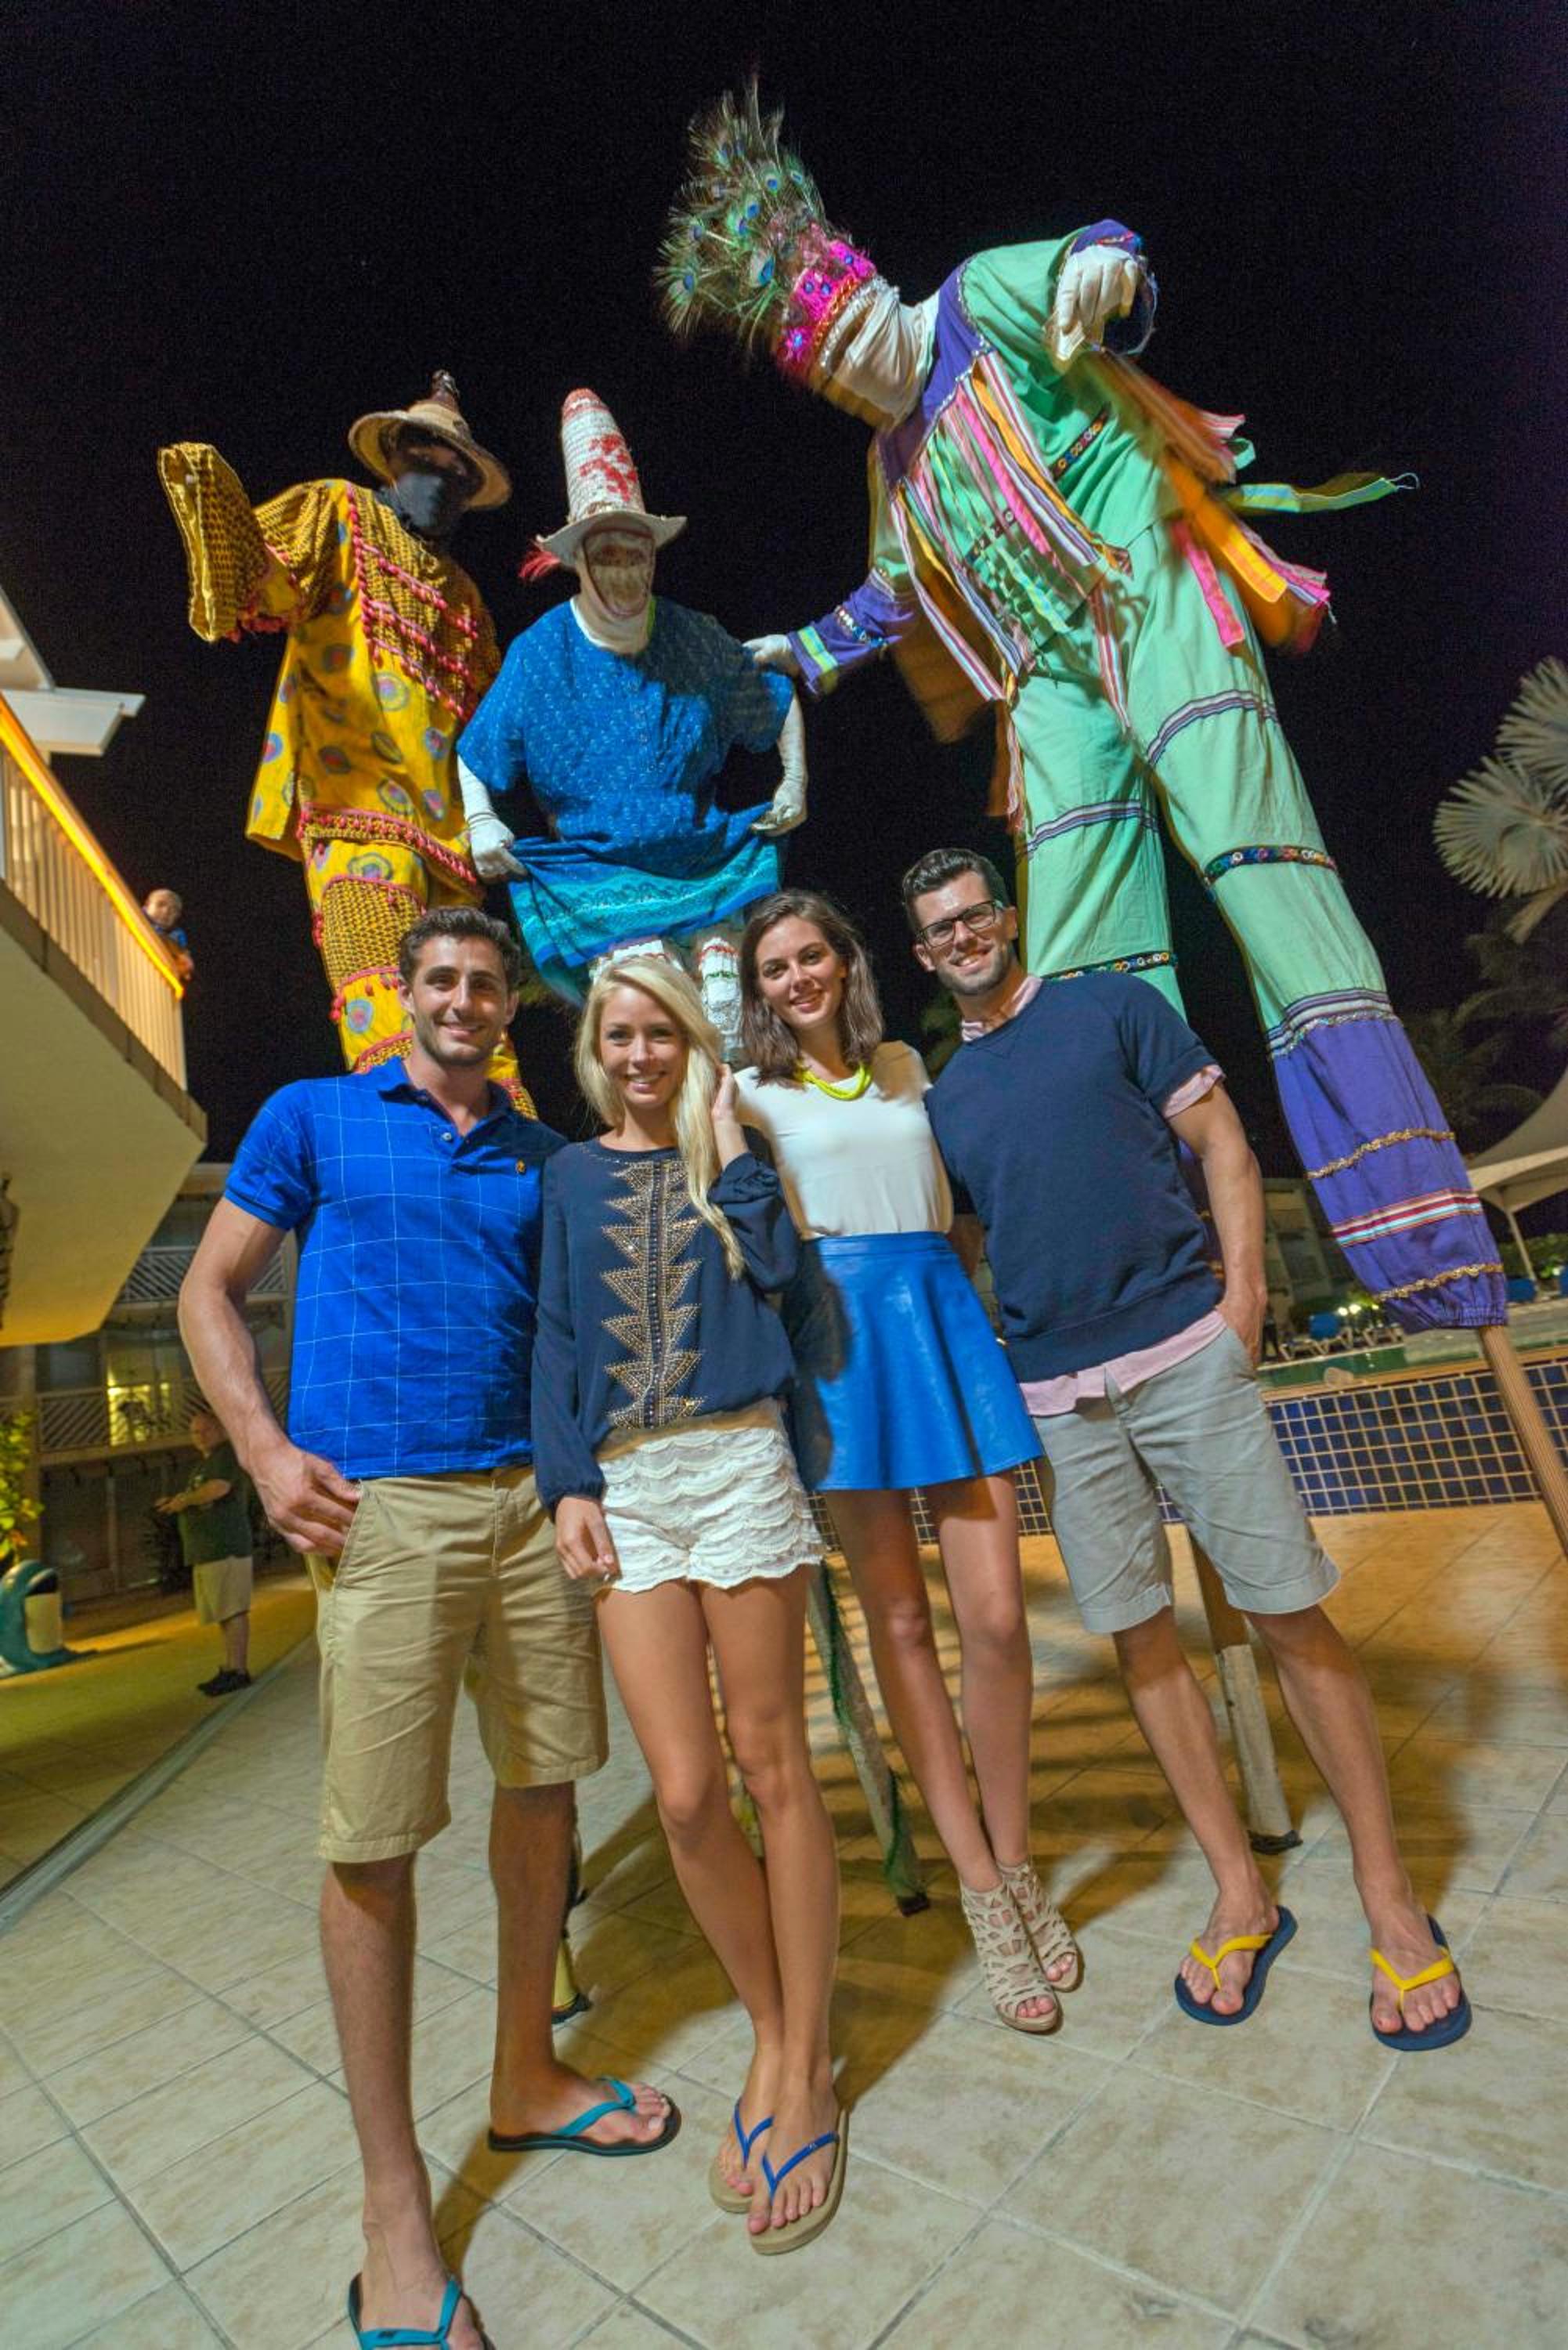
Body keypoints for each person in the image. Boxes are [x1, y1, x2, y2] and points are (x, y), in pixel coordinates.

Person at [659, 84, 1501, 1332]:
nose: (853, 385)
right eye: (831, 383)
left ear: (872, 300)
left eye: (852, 354)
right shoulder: (891, 459)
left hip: (1148, 593)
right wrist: (794, 649)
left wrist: (1102, 276)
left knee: (1259, 870)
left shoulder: (972, 300)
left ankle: (1420, 1240)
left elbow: (1093, 257)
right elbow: (895, 596)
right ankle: (1157, 1260)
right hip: (1047, 678)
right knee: (1076, 963)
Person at [178, 907, 676, 2350]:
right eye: (441, 980)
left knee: (545, 1789)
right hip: (379, 1514)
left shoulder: (537, 1155)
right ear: (404, 996)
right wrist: (265, 1453)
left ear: (512, 1008)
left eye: (485, 984)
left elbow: (577, 1331)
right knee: (373, 1843)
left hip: (527, 1506)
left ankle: (524, 2075)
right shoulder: (313, 1117)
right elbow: (210, 1290)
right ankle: (392, 2208)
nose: (463, 1000)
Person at [906, 847, 1471, 2052]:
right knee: (1141, 1643)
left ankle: (1387, 1896)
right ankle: (1238, 1892)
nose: (962, 936)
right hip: (1060, 1396)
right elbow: (959, 1248)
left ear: (1006, 917)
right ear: (921, 953)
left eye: (974, 914)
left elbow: (1222, 1144)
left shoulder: (1112, 1009)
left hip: (1181, 1352)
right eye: (939, 929)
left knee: (1285, 1612)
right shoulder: (946, 1100)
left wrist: (1243, 1297)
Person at [533, 956, 847, 2251]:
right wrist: (566, 1483)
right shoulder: (567, 1177)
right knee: (681, 1793)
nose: (640, 1054)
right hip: (628, 1489)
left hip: (736, 1462)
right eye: (620, 1035)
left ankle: (803, 2064)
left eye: (659, 1032)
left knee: (775, 1765)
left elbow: (787, 1286)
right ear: (595, 1050)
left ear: (687, 1043)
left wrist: (727, 1144)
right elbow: (557, 1335)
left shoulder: (734, 1151)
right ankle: (771, 2025)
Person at [734, 890, 1076, 2032]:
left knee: (996, 1617)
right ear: (757, 988)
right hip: (837, 1338)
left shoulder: (902, 1068)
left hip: (939, 1310)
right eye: (774, 967)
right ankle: (978, 1886)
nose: (796, 978)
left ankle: (1016, 1858)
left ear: (844, 961)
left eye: (811, 955)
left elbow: (957, 1200)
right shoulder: (746, 1094)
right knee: (897, 1624)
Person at [159, 374, 533, 1105]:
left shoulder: (466, 600)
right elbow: (265, 577)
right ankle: (413, 1145)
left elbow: (494, 727)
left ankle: (511, 1157)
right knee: (383, 997)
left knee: (474, 1019)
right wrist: (215, 503)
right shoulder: (339, 512)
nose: (441, 476)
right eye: (425, 456)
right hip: (353, 808)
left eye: (458, 471)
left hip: (448, 845)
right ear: (394, 456)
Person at [455, 389, 806, 1055]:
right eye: (609, 556)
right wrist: (481, 820)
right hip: (598, 877)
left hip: (703, 862)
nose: (625, 572)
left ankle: (735, 1118)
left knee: (727, 1015)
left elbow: (773, 697)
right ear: (579, 562)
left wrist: (795, 783)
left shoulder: (693, 637)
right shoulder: (541, 654)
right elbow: (478, 751)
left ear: (654, 555)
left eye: (636, 554)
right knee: (649, 1022)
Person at [155, 1402, 252, 1694]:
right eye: (195, 1432)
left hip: (225, 1546)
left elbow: (218, 1488)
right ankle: (230, 1666)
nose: (200, 1436)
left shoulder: (225, 1456)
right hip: (208, 1551)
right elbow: (202, 1492)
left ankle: (239, 1669)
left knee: (233, 1610)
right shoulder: (204, 1464)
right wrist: (177, 1501)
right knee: (224, 1613)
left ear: (220, 1430)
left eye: (206, 1430)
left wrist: (184, 1501)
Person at [143, 887, 193, 981]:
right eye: (161, 904)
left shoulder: (177, 935)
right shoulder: (135, 914)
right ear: (147, 904)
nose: (166, 912)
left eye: (173, 910)